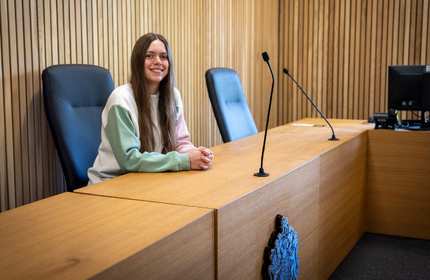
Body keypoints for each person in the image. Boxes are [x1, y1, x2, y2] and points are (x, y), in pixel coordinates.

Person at [88, 33, 213, 184]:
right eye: (149, 56)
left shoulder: (173, 96)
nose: (158, 61)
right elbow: (129, 159)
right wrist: (184, 161)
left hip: (148, 179)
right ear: (137, 61)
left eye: (163, 56)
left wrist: (196, 155)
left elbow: (180, 141)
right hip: (112, 183)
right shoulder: (120, 100)